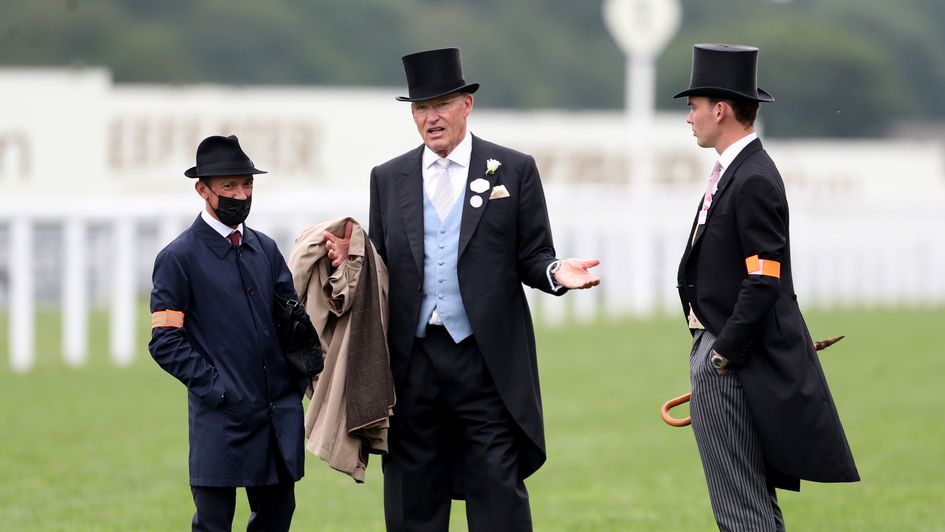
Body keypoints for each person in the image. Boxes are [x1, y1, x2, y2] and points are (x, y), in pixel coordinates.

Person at [361, 47, 600, 531]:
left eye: (442, 105)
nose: (431, 118)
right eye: (421, 108)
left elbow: (533, 254)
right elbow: (380, 269)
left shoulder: (513, 169)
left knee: (498, 493)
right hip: (412, 363)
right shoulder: (387, 179)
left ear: (466, 105)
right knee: (412, 499)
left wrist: (555, 272)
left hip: (485, 361)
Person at [674, 43, 859, 531]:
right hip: (726, 348)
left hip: (730, 355)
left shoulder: (752, 177)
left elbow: (764, 279)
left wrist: (722, 354)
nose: (688, 119)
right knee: (749, 504)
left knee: (741, 509)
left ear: (720, 109)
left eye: (693, 108)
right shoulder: (738, 171)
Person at [149, 135, 307, 532]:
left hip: (275, 416)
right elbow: (165, 341)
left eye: (247, 184)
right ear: (202, 190)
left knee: (277, 517)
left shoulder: (266, 249)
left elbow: (292, 321)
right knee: (214, 524)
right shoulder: (177, 258)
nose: (242, 194)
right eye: (230, 187)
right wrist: (219, 389)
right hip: (221, 418)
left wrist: (303, 373)